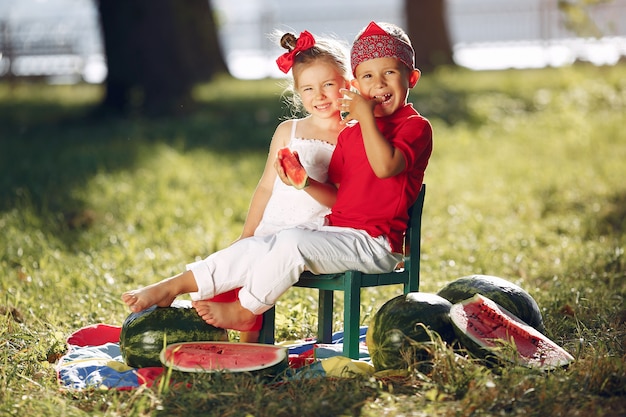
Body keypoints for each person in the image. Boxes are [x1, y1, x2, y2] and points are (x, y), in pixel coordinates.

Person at [122, 21, 433, 335]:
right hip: (339, 235)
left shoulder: (415, 127)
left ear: (412, 78)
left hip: (376, 245)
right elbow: (340, 197)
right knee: (260, 245)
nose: (378, 85)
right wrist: (307, 184)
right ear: (357, 84)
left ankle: (246, 309)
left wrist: (364, 116)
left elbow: (386, 167)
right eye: (368, 76)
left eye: (389, 74)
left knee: (292, 240)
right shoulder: (351, 135)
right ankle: (174, 286)